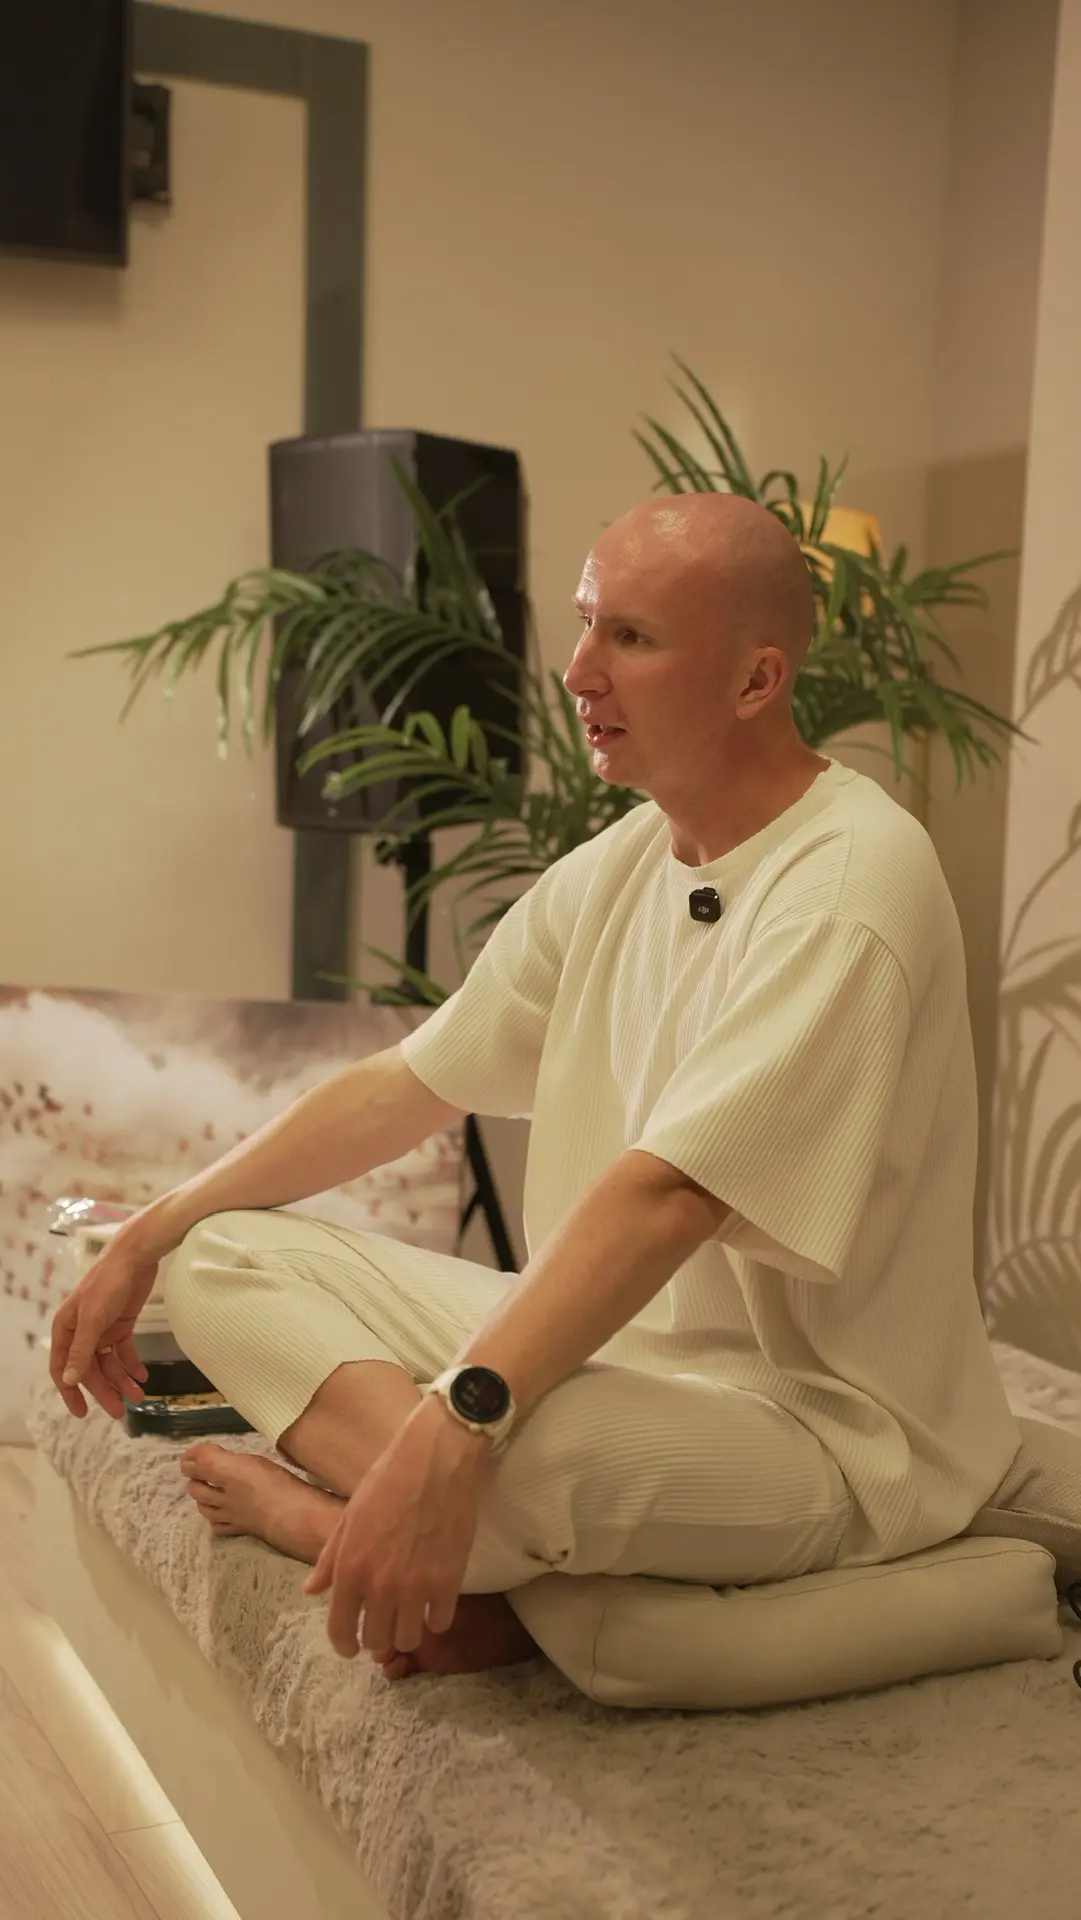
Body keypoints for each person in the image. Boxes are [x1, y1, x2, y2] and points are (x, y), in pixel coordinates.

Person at [50, 493, 1022, 1688]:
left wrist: (459, 1418)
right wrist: (151, 1231)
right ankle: (464, 1554)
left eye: (632, 637)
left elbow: (668, 1197)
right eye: (585, 623)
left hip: (819, 1430)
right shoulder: (624, 860)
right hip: (623, 1353)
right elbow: (406, 1085)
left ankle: (344, 1523)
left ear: (755, 680)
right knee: (222, 1257)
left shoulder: (850, 885)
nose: (576, 673)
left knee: (524, 1457)